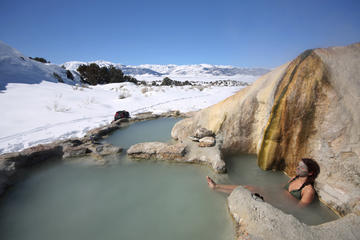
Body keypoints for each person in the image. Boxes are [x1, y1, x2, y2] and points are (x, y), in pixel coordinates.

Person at [206, 158, 320, 207]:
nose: (297, 168)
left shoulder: (308, 190)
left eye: (302, 168)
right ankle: (217, 187)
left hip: (280, 203)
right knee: (248, 187)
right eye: (298, 166)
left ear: (310, 173)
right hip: (275, 195)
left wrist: (277, 205)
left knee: (248, 190)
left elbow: (299, 210)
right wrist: (270, 189)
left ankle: (217, 187)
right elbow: (282, 188)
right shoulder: (294, 178)